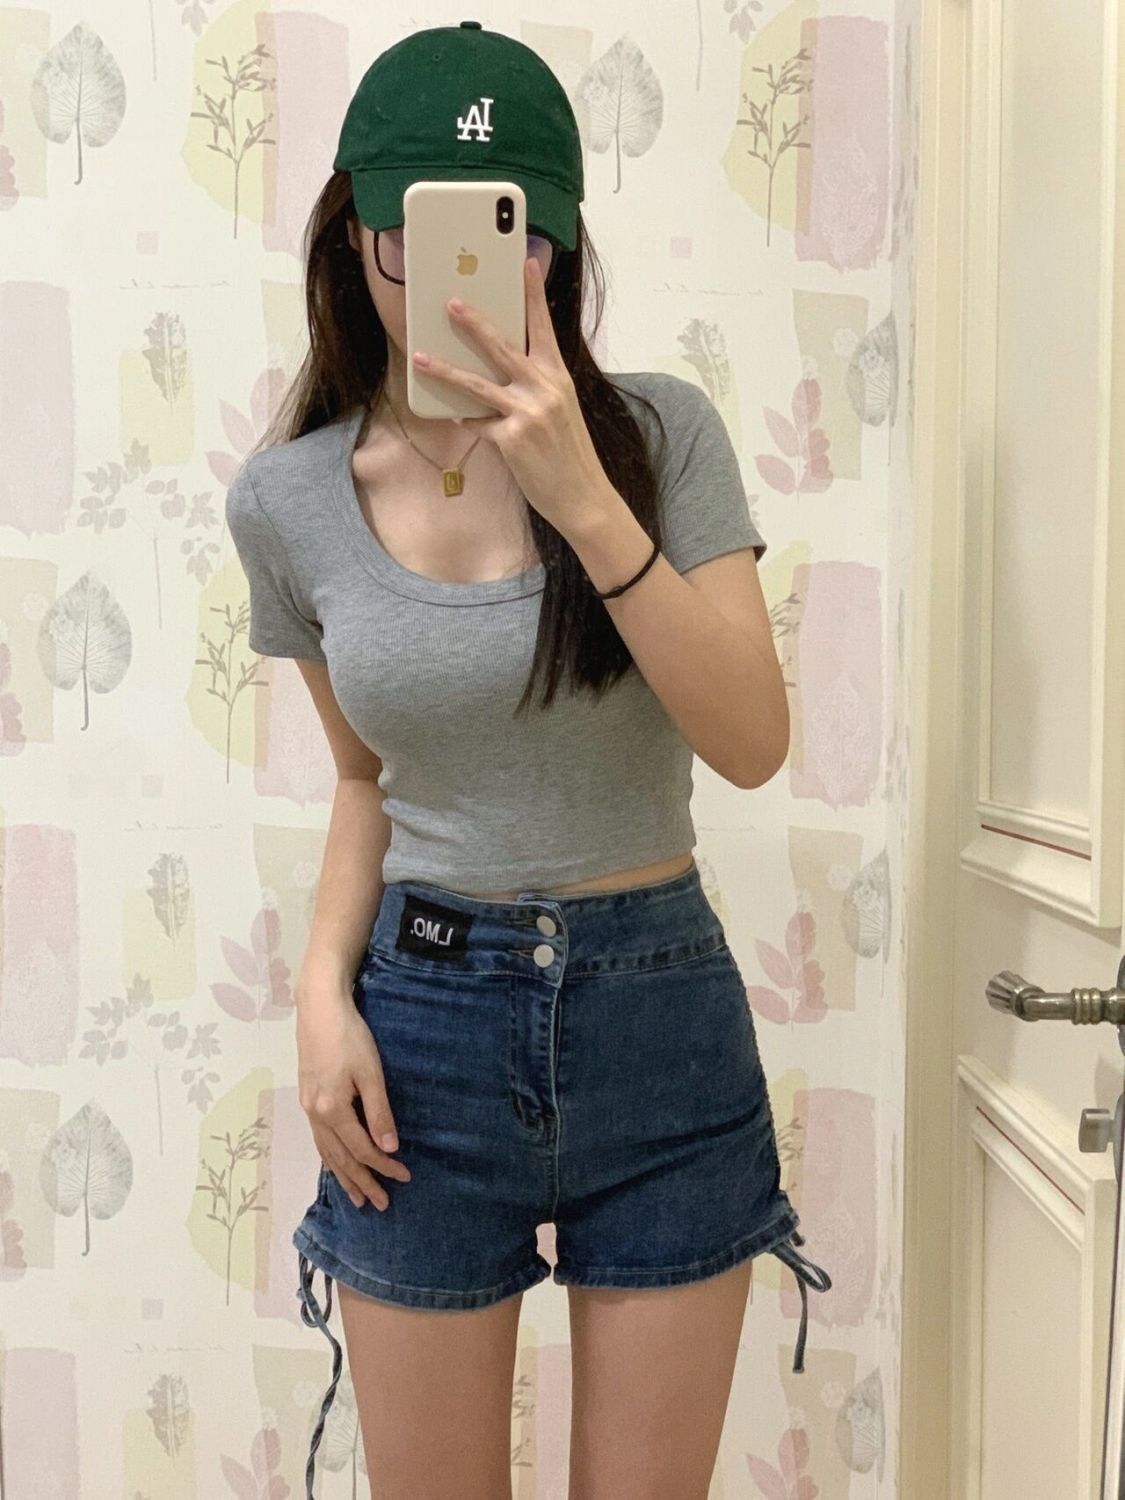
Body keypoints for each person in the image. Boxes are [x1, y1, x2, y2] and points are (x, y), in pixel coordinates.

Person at [225, 19, 831, 1500]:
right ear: (354, 233)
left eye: (518, 240)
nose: (463, 282)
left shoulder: (660, 438)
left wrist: (582, 497)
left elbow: (752, 743)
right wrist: (318, 1001)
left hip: (656, 1017)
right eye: (413, 236)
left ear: (557, 243)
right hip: (421, 1036)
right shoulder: (288, 501)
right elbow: (362, 781)